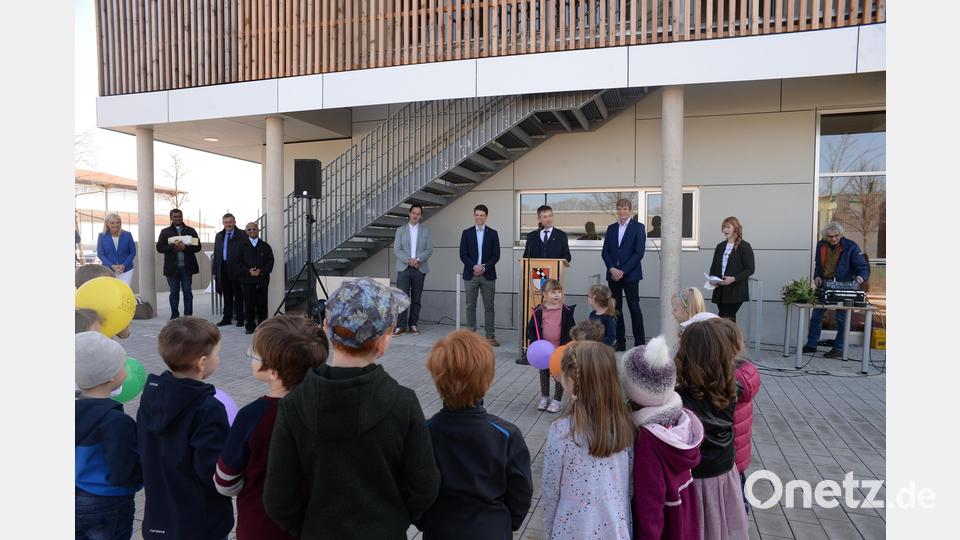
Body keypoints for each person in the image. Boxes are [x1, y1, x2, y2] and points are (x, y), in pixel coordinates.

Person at [263, 277, 440, 539]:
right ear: (383, 341)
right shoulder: (403, 403)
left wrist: (308, 529)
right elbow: (423, 486)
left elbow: (278, 497)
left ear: (325, 327)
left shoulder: (293, 405)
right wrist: (393, 521)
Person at [214, 316, 329, 539]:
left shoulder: (252, 416)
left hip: (261, 526)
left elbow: (225, 481)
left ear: (274, 371)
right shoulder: (328, 410)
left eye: (254, 354)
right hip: (315, 525)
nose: (250, 357)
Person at [418, 330, 533, 539]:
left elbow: (416, 489)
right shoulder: (506, 435)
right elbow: (520, 492)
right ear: (487, 380)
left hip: (440, 528)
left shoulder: (426, 432)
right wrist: (506, 523)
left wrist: (426, 521)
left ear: (437, 379)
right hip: (491, 529)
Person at [137, 317, 233, 540]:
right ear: (202, 362)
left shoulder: (150, 397)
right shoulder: (209, 409)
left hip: (158, 520)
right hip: (199, 523)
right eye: (217, 353)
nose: (218, 358)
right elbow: (212, 471)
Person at [542, 341, 636, 540]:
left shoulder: (561, 432)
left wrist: (551, 531)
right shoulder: (626, 425)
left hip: (571, 530)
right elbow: (629, 485)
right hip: (615, 528)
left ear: (570, 379)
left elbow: (551, 492)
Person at [620, 336, 704, 540]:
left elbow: (650, 500)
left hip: (663, 524)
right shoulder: (680, 419)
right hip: (683, 511)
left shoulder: (648, 439)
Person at [675, 318, 749, 540]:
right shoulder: (731, 386)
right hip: (724, 473)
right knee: (722, 527)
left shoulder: (679, 398)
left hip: (694, 478)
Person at [75, 332, 142, 540]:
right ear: (112, 376)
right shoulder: (116, 422)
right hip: (108, 501)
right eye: (122, 364)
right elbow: (124, 470)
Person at [803, 221, 870, 359]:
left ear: (841, 234)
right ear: (825, 236)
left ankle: (839, 348)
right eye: (830, 236)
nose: (833, 239)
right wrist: (817, 276)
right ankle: (811, 344)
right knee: (816, 316)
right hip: (825, 285)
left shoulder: (851, 247)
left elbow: (863, 267)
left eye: (836, 236)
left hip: (844, 286)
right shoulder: (821, 245)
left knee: (842, 318)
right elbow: (818, 265)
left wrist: (860, 278)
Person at [717, 319, 762, 515]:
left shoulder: (727, 380)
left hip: (727, 453)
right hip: (740, 453)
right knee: (740, 487)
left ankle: (739, 517)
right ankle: (743, 515)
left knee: (733, 494)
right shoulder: (745, 373)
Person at [524, 279, 575, 413]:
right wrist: (535, 342)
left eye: (559, 292)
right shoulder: (538, 311)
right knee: (544, 373)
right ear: (544, 294)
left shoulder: (566, 311)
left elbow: (571, 329)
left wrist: (569, 345)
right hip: (544, 352)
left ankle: (557, 400)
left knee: (559, 374)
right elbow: (531, 329)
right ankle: (545, 397)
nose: (557, 295)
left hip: (560, 350)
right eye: (553, 292)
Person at [601, 198, 646, 350]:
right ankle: (620, 342)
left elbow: (639, 253)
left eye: (625, 208)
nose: (622, 211)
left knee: (634, 309)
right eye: (619, 208)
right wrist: (612, 269)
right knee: (616, 309)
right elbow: (605, 252)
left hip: (631, 275)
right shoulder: (611, 228)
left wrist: (623, 271)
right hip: (613, 276)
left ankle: (639, 343)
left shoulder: (638, 228)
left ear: (630, 211)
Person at [459, 204, 501, 347]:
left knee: (489, 306)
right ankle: (470, 337)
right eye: (477, 215)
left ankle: (490, 336)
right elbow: (463, 254)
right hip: (470, 275)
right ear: (474, 216)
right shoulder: (466, 233)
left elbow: (496, 255)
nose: (479, 217)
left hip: (488, 275)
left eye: (482, 215)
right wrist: (474, 266)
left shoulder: (493, 233)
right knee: (470, 306)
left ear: (486, 217)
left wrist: (484, 267)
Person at [393, 204, 433, 336]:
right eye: (413, 213)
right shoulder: (400, 230)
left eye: (418, 213)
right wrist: (409, 260)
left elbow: (429, 250)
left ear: (420, 216)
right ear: (409, 214)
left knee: (416, 298)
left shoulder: (426, 231)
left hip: (419, 269)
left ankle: (413, 324)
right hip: (404, 268)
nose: (415, 215)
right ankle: (400, 326)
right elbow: (397, 249)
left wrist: (418, 260)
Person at [156, 209, 202, 319]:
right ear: (171, 218)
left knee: (187, 292)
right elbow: (159, 248)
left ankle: (188, 316)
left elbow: (198, 247)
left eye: (179, 216)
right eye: (175, 217)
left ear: (182, 217)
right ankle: (174, 316)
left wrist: (185, 248)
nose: (178, 218)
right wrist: (173, 247)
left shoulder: (191, 230)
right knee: (174, 293)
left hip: (187, 268)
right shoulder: (165, 232)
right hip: (172, 269)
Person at [708, 217, 755, 322]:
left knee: (726, 318)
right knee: (724, 318)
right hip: (720, 290)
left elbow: (750, 269)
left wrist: (733, 279)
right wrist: (712, 279)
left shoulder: (744, 246)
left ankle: (730, 338)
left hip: (735, 290)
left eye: (728, 227)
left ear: (736, 228)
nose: (724, 230)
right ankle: (731, 338)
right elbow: (714, 266)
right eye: (723, 227)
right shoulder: (720, 246)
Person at [234, 222, 275, 334]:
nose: (252, 231)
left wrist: (261, 271)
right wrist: (248, 271)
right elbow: (237, 263)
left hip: (262, 279)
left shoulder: (265, 246)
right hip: (247, 280)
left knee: (262, 303)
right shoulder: (241, 246)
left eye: (254, 229)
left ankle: (262, 326)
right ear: (246, 231)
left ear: (258, 230)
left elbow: (270, 261)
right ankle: (250, 326)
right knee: (249, 303)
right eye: (249, 229)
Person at [212, 213, 246, 328]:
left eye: (230, 222)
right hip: (223, 268)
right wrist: (214, 271)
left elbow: (246, 254)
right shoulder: (219, 236)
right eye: (226, 222)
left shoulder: (242, 234)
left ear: (235, 222)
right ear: (223, 223)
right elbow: (216, 254)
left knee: (239, 295)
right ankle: (226, 318)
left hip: (238, 269)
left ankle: (240, 318)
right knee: (227, 295)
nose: (228, 224)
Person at [96, 213, 137, 286]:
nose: (115, 225)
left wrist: (124, 265)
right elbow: (100, 254)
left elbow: (132, 252)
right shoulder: (102, 236)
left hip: (126, 270)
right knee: (111, 291)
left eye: (117, 222)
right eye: (112, 223)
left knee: (124, 290)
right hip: (109, 270)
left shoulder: (127, 235)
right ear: (107, 224)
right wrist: (112, 266)